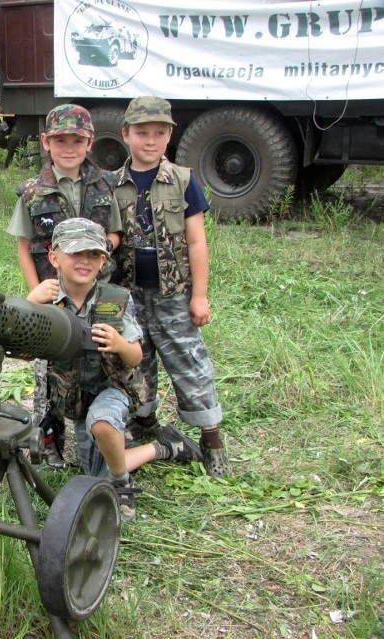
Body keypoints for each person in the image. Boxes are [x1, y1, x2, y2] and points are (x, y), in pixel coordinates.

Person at [27, 218, 202, 521]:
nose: (85, 261)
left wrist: (120, 344)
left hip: (113, 389)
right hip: (76, 400)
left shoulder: (117, 299)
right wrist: (29, 304)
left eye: (93, 254)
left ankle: (123, 486)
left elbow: (135, 357)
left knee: (103, 423)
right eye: (75, 253)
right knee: (95, 473)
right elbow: (23, 347)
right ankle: (164, 447)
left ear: (103, 260)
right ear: (54, 257)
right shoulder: (45, 300)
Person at [113, 96, 229, 477]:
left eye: (159, 133)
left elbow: (197, 242)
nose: (151, 140)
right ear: (126, 134)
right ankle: (145, 426)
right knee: (135, 362)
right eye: (142, 133)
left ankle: (211, 439)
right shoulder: (112, 184)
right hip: (129, 296)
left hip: (173, 294)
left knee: (189, 361)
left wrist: (199, 295)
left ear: (169, 136)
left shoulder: (183, 180)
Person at [6, 103, 120, 468]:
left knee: (96, 357)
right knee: (48, 369)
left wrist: (91, 258)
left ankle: (105, 426)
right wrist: (38, 291)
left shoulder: (106, 184)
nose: (68, 147)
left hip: (95, 295)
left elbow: (115, 232)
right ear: (46, 142)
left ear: (89, 143)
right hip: (53, 297)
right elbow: (25, 247)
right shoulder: (32, 191)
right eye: (60, 140)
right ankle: (49, 440)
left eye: (77, 140)